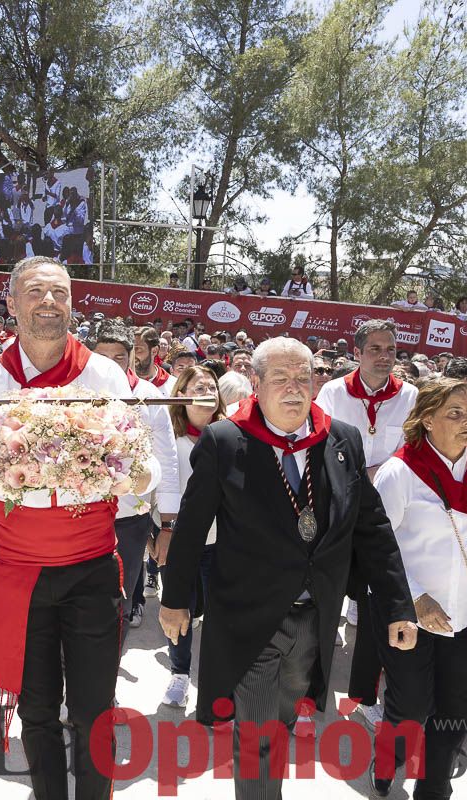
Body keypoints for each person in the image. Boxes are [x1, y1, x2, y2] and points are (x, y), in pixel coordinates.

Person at [0, 256, 159, 800]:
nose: (49, 303)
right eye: (35, 292)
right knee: (35, 710)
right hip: (17, 576)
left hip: (91, 572)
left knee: (92, 710)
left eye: (60, 293)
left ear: (72, 305)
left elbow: (145, 479)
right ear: (11, 304)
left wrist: (114, 463)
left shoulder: (105, 375)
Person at [158, 336, 417, 800]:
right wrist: (175, 599)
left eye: (304, 377)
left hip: (316, 617)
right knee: (257, 735)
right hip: (250, 617)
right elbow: (193, 528)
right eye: (280, 379)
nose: (295, 388)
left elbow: (372, 527)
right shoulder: (225, 441)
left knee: (281, 716)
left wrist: (399, 604)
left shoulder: (342, 439)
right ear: (256, 383)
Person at [369, 377, 467, 797]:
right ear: (427, 420)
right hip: (407, 613)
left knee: (454, 712)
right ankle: (388, 753)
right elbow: (379, 547)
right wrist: (415, 596)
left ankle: (434, 788)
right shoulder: (400, 472)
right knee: (410, 708)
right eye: (455, 413)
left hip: (466, 615)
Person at [313, 319, 419, 729]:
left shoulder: (410, 396)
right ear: (357, 353)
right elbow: (318, 443)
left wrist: (382, 471)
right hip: (337, 510)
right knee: (329, 594)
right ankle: (312, 685)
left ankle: (364, 693)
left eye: (390, 348)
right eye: (375, 348)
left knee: (374, 605)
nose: (384, 355)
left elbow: (414, 446)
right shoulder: (333, 393)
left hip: (385, 515)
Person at [90, 322, 180, 634]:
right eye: (101, 356)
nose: (109, 364)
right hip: (80, 516)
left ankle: (107, 669)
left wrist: (167, 525)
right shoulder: (74, 394)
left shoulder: (149, 396)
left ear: (131, 358)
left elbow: (167, 463)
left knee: (120, 603)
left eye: (118, 357)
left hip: (129, 520)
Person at [156, 365, 227, 708]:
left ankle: (213, 679)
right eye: (197, 387)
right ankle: (180, 673)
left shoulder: (230, 435)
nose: (206, 393)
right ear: (181, 395)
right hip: (178, 544)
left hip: (220, 543)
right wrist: (158, 533)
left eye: (212, 387)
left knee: (214, 611)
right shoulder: (169, 439)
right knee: (179, 609)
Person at [133, 326, 173, 395]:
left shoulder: (172, 386)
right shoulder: (120, 382)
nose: (132, 355)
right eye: (130, 350)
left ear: (154, 351)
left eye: (138, 349)